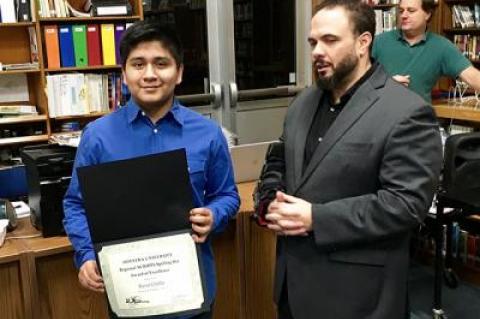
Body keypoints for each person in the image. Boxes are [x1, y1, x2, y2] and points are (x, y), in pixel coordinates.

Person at [254, 1, 443, 318]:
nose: (316, 51)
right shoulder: (304, 101)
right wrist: (270, 199)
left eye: (330, 40)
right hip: (292, 286)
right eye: (313, 42)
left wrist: (317, 218)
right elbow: (279, 159)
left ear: (363, 42)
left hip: (357, 296)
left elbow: (406, 204)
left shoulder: (406, 111)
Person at [63, 21, 240, 319]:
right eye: (138, 64)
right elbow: (75, 204)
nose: (149, 75)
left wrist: (214, 215)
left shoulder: (208, 134)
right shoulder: (97, 136)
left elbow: (227, 195)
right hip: (128, 294)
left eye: (161, 64)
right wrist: (85, 255)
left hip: (191, 294)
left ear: (179, 72)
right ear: (124, 74)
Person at [372, 0, 480, 103]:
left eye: (411, 11)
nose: (404, 15)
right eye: (401, 11)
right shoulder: (378, 42)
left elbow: (473, 77)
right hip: (380, 116)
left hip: (417, 118)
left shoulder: (441, 47)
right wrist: (387, 83)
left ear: (427, 14)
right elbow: (357, 81)